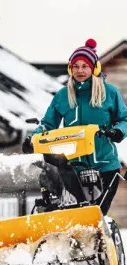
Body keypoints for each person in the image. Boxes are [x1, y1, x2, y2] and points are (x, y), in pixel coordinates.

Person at [22, 39, 127, 215]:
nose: (80, 70)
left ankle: (102, 240)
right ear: (71, 69)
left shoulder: (109, 93)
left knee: (96, 215)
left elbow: (124, 119)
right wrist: (32, 139)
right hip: (73, 167)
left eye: (85, 66)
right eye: (76, 66)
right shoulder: (63, 95)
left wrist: (118, 131)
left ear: (94, 68)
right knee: (74, 212)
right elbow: (48, 124)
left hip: (105, 165)